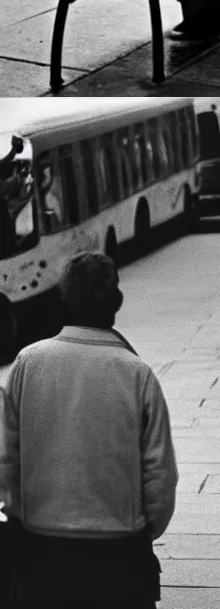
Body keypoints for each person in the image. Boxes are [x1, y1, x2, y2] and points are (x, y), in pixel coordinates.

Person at [0, 251, 177, 609]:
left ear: (63, 298)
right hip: (120, 558)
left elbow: (5, 457)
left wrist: (21, 514)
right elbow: (160, 474)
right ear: (117, 303)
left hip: (41, 553)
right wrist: (142, 530)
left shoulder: (27, 364)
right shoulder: (138, 374)